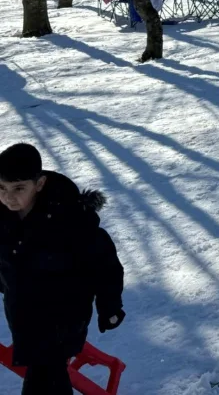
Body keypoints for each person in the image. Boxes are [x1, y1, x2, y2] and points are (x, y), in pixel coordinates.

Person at [0, 143, 125, 394]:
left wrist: (109, 306)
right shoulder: (2, 217)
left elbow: (104, 263)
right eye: (1, 188)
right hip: (23, 312)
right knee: (46, 372)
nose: (8, 196)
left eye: (18, 188)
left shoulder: (69, 219)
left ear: (40, 184)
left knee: (44, 377)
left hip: (65, 314)